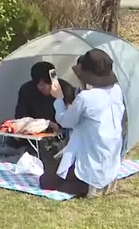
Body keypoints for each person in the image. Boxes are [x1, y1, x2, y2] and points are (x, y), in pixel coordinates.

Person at [40, 49, 125, 198]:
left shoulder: (86, 97)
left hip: (90, 163)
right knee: (57, 171)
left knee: (46, 180)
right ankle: (95, 184)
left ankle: (86, 186)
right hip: (109, 162)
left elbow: (65, 121)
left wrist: (58, 98)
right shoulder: (116, 91)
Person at [16, 62, 75, 128]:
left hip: (61, 132)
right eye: (42, 85)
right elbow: (21, 115)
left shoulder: (66, 89)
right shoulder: (27, 90)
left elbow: (71, 118)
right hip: (34, 131)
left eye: (50, 83)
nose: (47, 87)